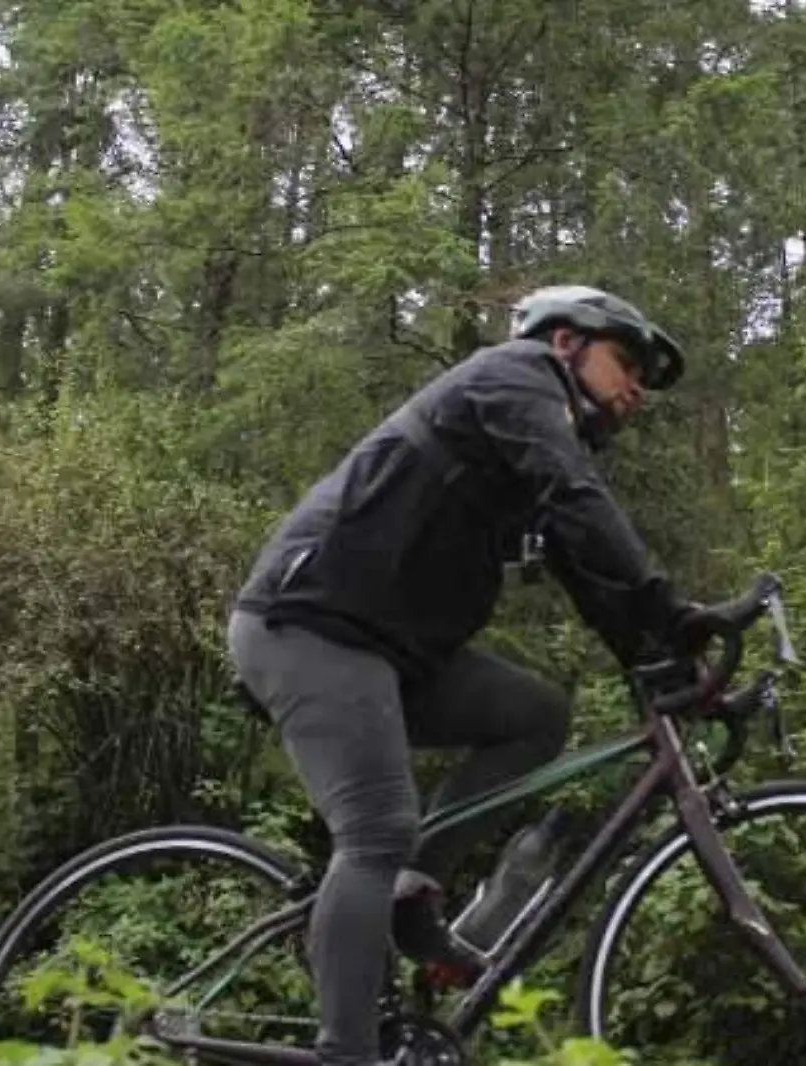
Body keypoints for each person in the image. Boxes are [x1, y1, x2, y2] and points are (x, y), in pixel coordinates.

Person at [226, 285, 715, 1066]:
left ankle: (413, 892)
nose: (635, 392)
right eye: (625, 363)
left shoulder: (527, 457)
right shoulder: (512, 377)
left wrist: (662, 659)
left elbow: (589, 574)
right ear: (564, 344)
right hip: (308, 624)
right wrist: (671, 605)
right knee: (377, 829)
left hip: (391, 651)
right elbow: (580, 498)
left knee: (534, 716)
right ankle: (346, 1051)